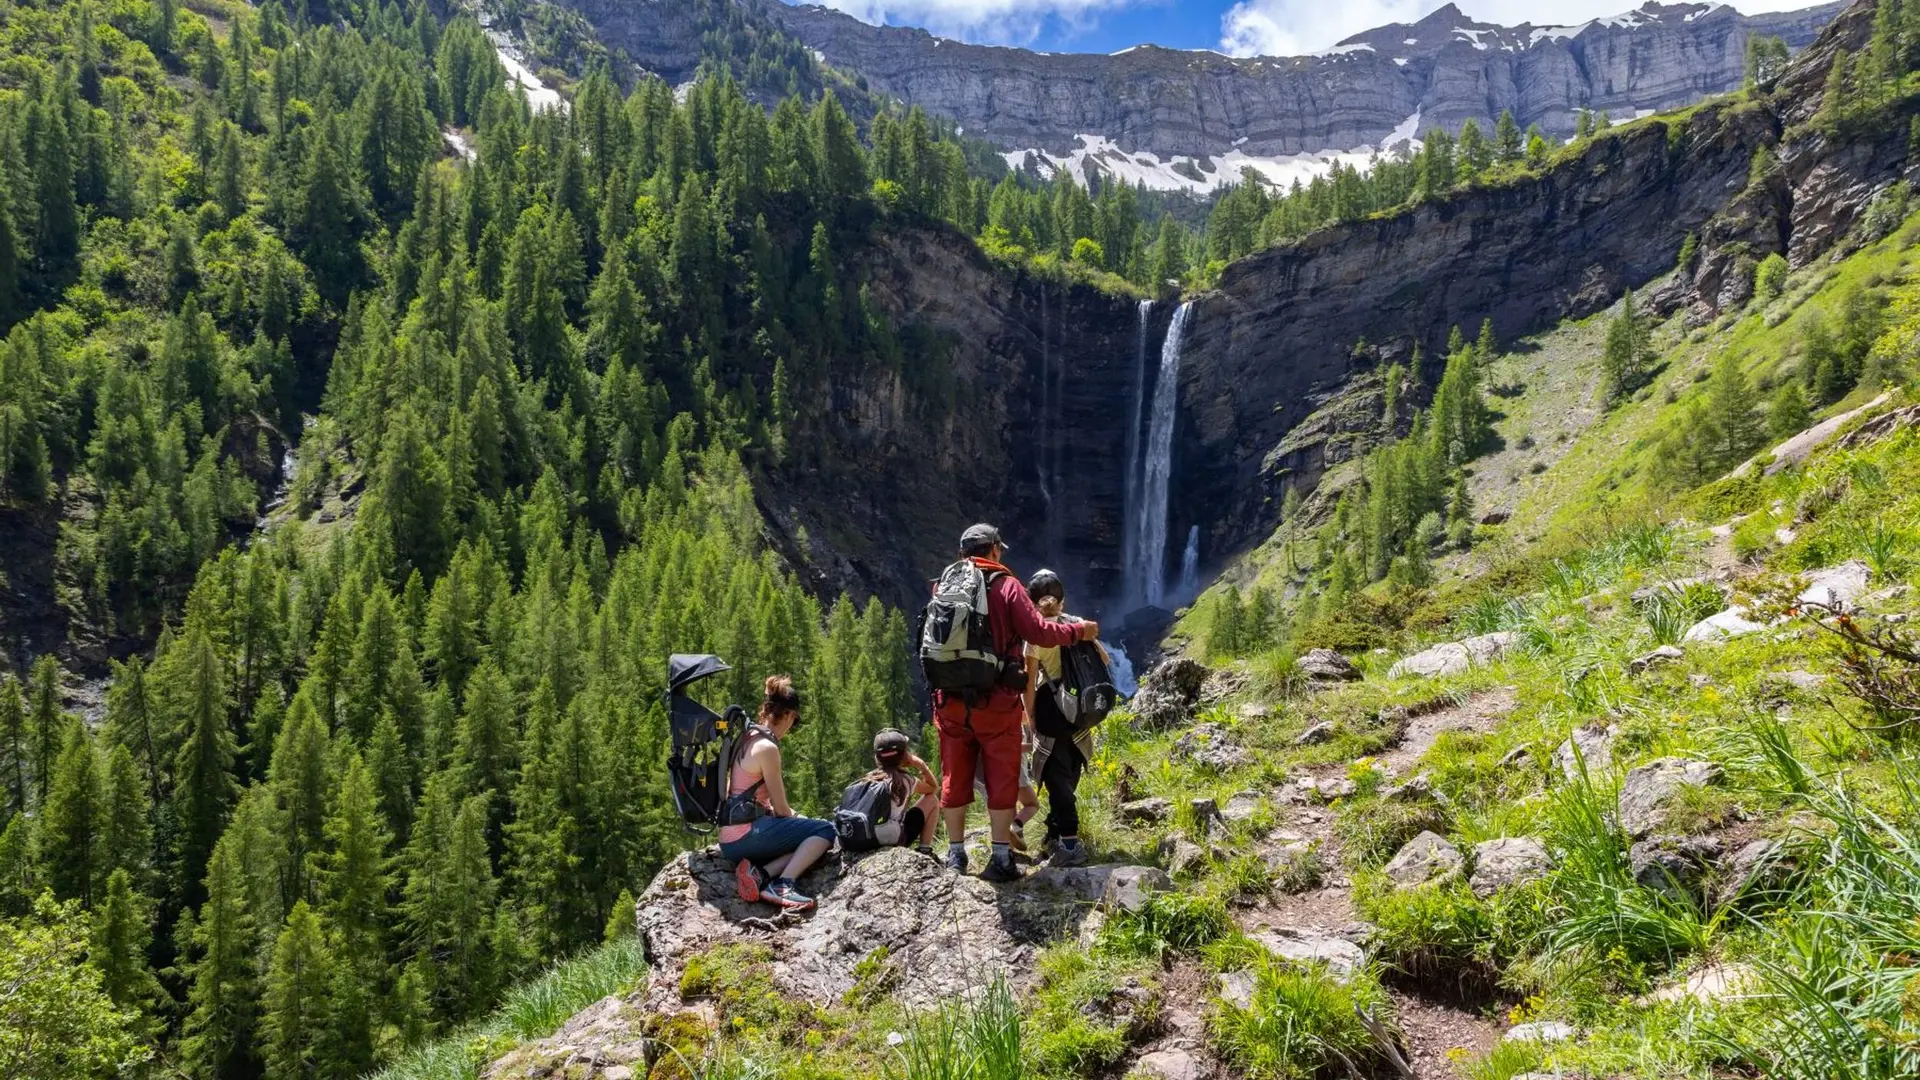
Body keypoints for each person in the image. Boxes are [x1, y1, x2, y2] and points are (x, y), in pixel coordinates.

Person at [932, 524, 1097, 882]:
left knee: (953, 776)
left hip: (950, 701)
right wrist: (1078, 631)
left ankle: (956, 856)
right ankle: (1000, 858)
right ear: (993, 550)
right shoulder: (1007, 586)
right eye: (999, 550)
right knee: (1002, 777)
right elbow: (1038, 631)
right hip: (996, 700)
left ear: (962, 553)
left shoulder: (943, 586)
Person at [720, 676, 836, 910]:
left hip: (729, 837)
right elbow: (781, 809)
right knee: (824, 831)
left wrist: (796, 823)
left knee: (804, 841)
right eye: (794, 721)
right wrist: (800, 821)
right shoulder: (768, 748)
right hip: (745, 837)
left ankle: (759, 875)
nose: (792, 727)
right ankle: (783, 884)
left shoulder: (748, 736)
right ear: (789, 715)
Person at [1023, 569, 1099, 868]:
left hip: (1051, 709)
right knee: (1072, 768)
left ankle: (1070, 843)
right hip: (1080, 709)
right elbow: (1104, 660)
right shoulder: (1078, 624)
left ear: (1032, 603)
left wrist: (1029, 719)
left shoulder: (1036, 636)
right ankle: (1055, 834)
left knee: (1056, 779)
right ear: (1062, 600)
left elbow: (1029, 684)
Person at [866, 728, 940, 852]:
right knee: (932, 800)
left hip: (866, 838)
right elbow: (933, 788)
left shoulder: (868, 778)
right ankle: (925, 849)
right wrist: (921, 765)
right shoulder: (906, 780)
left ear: (877, 757)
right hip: (890, 839)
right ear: (905, 755)